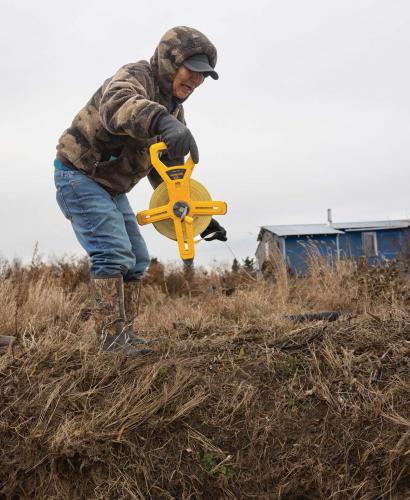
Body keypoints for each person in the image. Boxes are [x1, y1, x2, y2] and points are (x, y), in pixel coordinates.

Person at [54, 26, 227, 356]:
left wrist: (196, 215)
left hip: (111, 189)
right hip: (79, 176)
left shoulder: (174, 111)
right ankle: (109, 341)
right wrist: (162, 122)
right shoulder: (135, 77)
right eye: (191, 70)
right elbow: (118, 106)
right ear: (169, 61)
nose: (195, 81)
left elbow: (169, 173)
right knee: (112, 252)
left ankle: (125, 337)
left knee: (137, 260)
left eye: (203, 77)